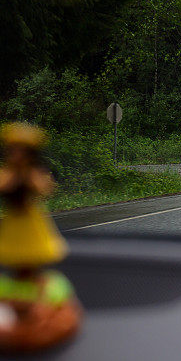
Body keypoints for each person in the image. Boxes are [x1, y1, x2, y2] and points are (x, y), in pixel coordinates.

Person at [0, 122, 80, 353]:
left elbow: (45, 188)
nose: (17, 155)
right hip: (14, 222)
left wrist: (28, 175)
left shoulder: (34, 173)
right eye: (13, 150)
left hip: (31, 221)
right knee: (15, 252)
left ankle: (33, 284)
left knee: (33, 251)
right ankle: (20, 285)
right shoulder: (7, 173)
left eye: (22, 151)